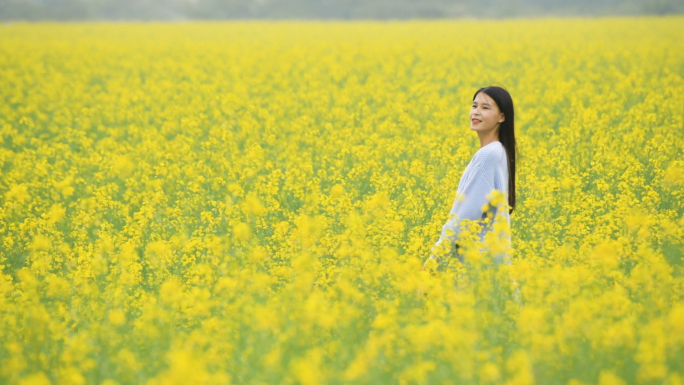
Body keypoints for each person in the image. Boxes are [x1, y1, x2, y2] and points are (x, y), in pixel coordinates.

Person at [423, 86, 517, 271]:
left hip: (477, 269)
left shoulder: (488, 156)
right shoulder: (499, 152)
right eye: (474, 105)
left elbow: (462, 219)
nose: (476, 112)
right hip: (491, 267)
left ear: (502, 117)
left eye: (485, 107)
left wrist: (432, 265)